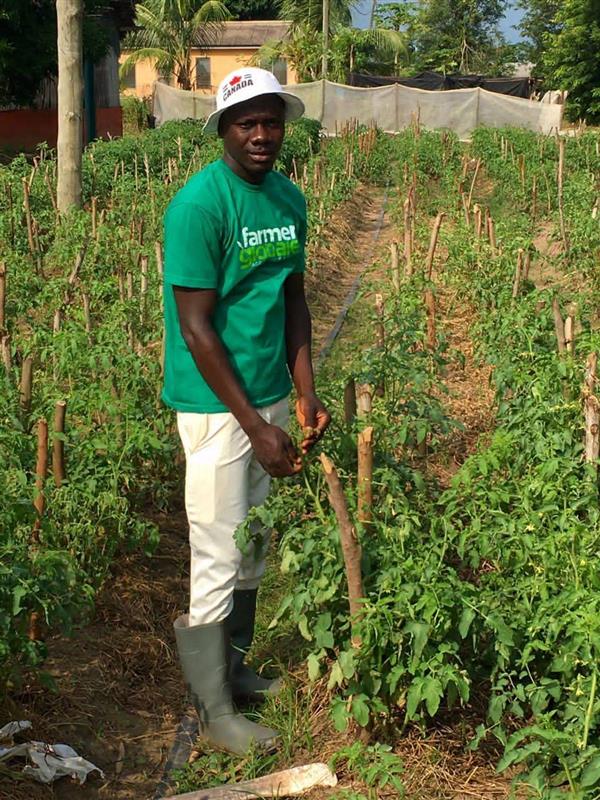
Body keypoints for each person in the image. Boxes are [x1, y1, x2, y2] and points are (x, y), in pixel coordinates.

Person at [162, 67, 330, 755]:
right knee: (217, 549)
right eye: (246, 122)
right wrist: (254, 426)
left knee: (254, 544)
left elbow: (293, 301)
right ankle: (214, 710)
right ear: (224, 130)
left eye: (271, 120)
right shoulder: (200, 206)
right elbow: (197, 328)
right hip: (215, 406)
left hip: (267, 397)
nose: (261, 134)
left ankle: (236, 668)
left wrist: (304, 390)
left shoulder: (288, 199)